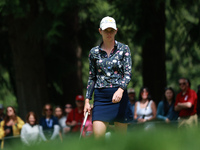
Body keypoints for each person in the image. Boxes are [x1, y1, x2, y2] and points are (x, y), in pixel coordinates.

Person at [84, 16, 133, 138]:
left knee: (121, 142)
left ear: (116, 31)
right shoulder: (94, 52)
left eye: (111, 30)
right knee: (98, 139)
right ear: (100, 31)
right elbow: (92, 77)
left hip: (119, 97)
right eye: (106, 30)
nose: (109, 33)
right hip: (101, 99)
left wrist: (121, 90)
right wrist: (87, 100)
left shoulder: (124, 49)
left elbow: (128, 74)